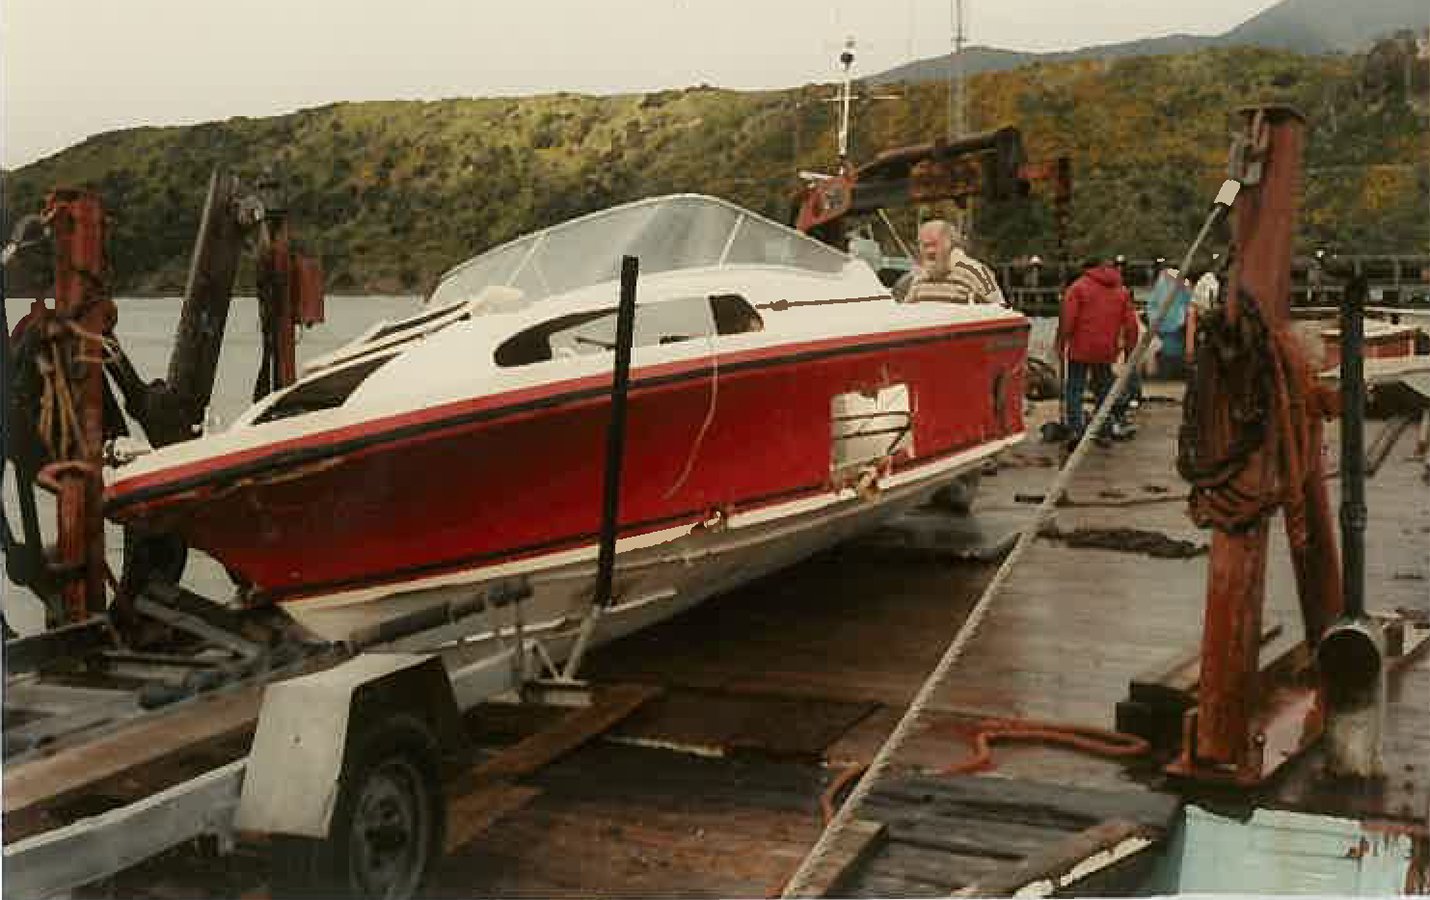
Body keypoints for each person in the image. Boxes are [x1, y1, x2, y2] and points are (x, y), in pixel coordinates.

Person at [1057, 255, 1139, 443]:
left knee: (1075, 388)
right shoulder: (1121, 290)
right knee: (1104, 389)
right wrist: (1129, 351)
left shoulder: (1077, 288)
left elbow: (1067, 321)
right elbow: (1131, 325)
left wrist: (1060, 344)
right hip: (1107, 349)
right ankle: (1103, 426)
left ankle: (1076, 429)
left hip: (1081, 348)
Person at [898, 219, 1007, 306]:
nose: (929, 251)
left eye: (934, 244)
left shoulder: (977, 271)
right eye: (924, 246)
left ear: (950, 244)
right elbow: (908, 312)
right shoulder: (919, 278)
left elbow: (1000, 309)